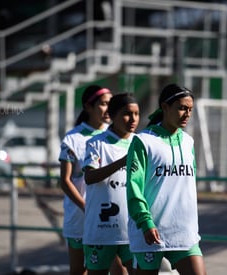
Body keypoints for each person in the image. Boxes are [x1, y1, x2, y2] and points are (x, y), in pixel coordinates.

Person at [126, 84, 207, 275]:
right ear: (165, 107)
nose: (187, 114)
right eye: (181, 108)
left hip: (183, 232)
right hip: (150, 231)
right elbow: (133, 187)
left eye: (190, 109)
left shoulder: (189, 142)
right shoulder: (143, 141)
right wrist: (145, 222)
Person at [59, 85, 125, 275]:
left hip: (108, 219)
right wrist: (86, 207)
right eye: (103, 104)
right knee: (80, 271)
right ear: (88, 107)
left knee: (120, 271)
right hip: (80, 219)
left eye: (111, 104)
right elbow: (65, 181)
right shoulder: (73, 138)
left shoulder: (116, 136)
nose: (108, 109)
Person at [82, 93, 140, 275]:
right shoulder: (96, 143)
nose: (133, 119)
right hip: (102, 230)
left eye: (137, 114)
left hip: (133, 231)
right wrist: (122, 162)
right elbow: (89, 177)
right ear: (112, 115)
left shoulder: (141, 144)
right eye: (127, 114)